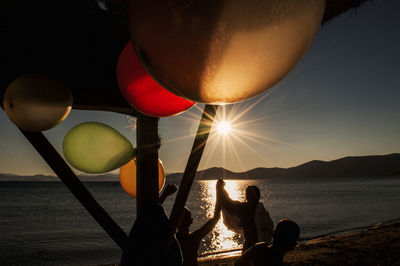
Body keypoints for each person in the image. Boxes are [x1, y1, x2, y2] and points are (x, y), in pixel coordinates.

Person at [216, 178, 274, 252]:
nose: (248, 197)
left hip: (258, 244)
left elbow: (229, 204)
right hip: (252, 244)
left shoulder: (258, 210)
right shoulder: (247, 208)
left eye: (250, 195)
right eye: (247, 194)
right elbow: (228, 204)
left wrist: (220, 189)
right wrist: (221, 189)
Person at [176, 184, 221, 266]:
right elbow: (216, 218)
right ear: (191, 221)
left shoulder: (172, 239)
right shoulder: (194, 238)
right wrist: (218, 190)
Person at [234, 219, 300, 266]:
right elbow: (239, 263)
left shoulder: (260, 248)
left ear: (273, 235)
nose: (296, 243)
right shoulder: (260, 248)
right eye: (295, 240)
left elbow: (238, 262)